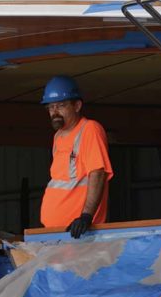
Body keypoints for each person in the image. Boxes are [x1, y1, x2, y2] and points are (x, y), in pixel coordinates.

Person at [39, 76, 113, 238]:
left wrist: (86, 216)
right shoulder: (58, 137)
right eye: (51, 107)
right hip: (57, 233)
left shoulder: (90, 129)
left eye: (61, 105)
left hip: (79, 233)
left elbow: (97, 173)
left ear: (77, 105)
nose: (55, 112)